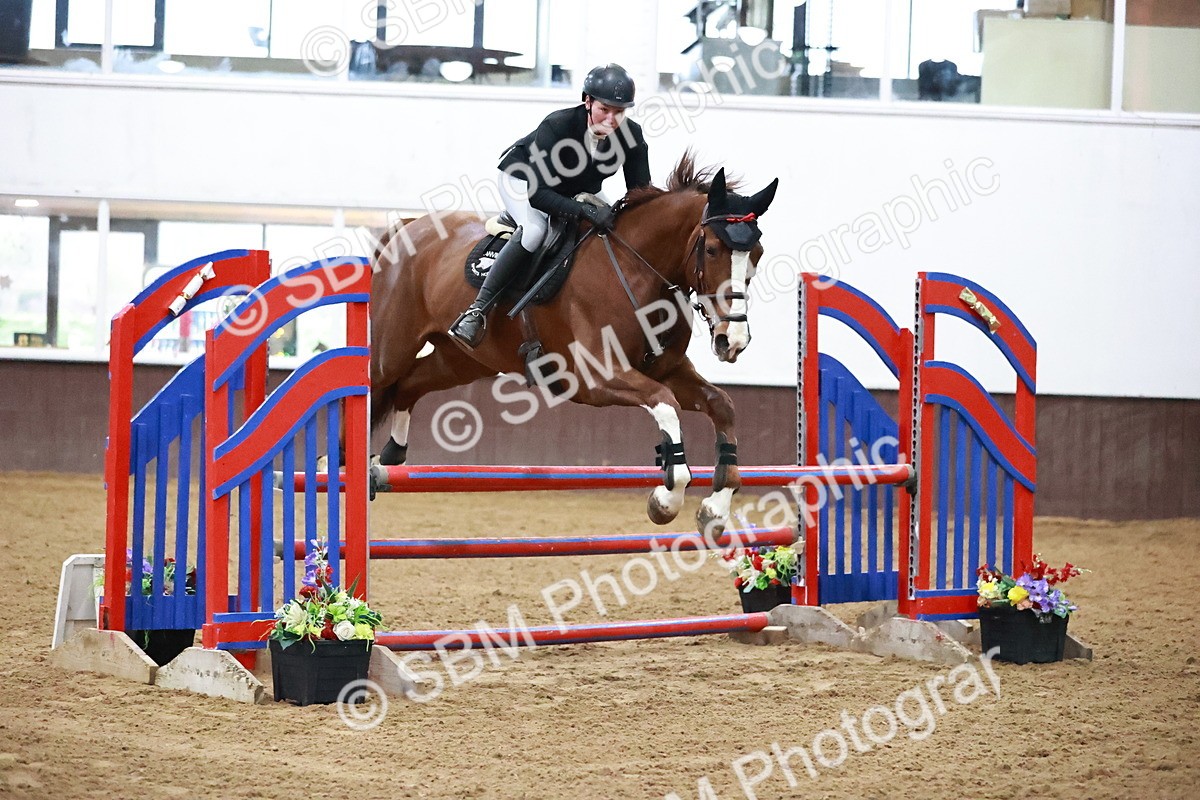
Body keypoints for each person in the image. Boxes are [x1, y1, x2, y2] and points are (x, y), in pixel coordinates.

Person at [448, 63, 653, 350]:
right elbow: (539, 196)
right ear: (588, 101)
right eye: (604, 109)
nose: (611, 119)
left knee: (616, 231)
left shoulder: (632, 135)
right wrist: (584, 211)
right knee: (534, 230)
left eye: (619, 112)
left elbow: (640, 192)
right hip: (523, 181)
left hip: (578, 189)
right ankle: (476, 311)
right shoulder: (558, 125)